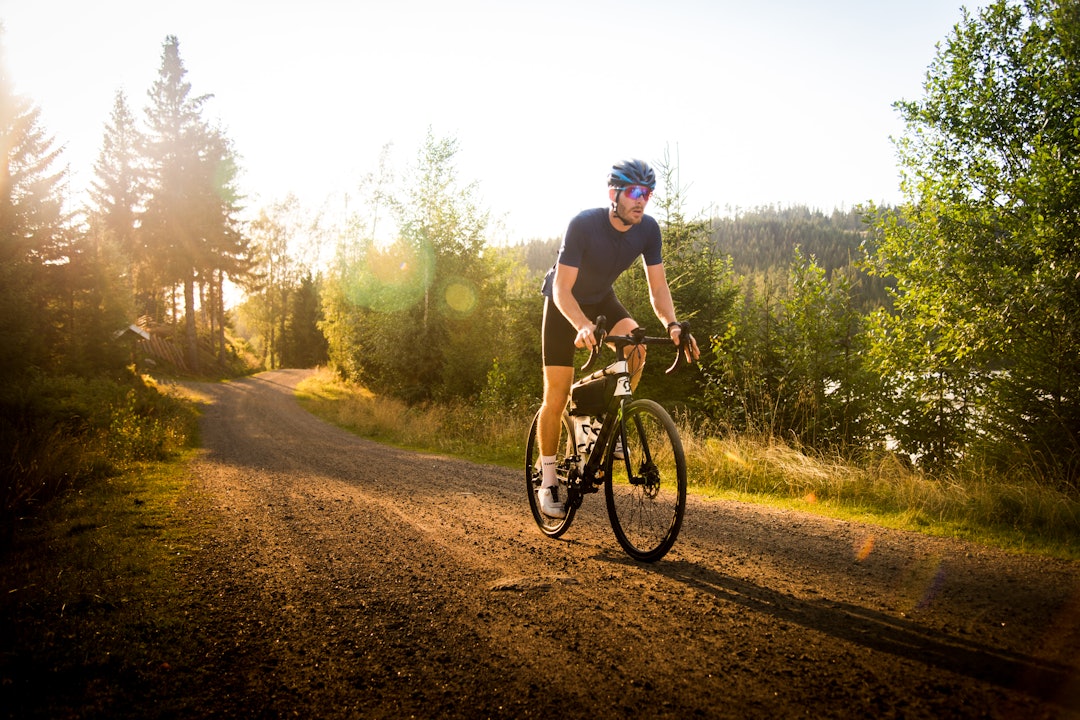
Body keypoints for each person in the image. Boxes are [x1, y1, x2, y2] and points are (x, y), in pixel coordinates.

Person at [536, 158, 700, 518]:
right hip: (565, 307)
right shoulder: (583, 225)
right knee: (557, 394)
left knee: (637, 349)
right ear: (614, 193)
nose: (642, 201)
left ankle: (597, 427)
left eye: (648, 194)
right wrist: (581, 324)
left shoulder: (648, 230)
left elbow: (658, 286)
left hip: (602, 302)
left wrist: (672, 324)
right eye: (635, 193)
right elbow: (563, 289)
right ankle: (548, 481)